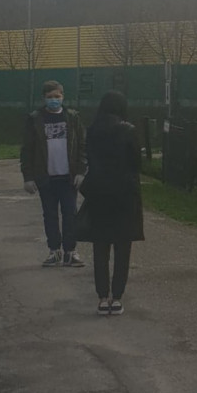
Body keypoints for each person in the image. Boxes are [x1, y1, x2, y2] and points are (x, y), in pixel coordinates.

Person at [78, 91, 143, 315]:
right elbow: (137, 162)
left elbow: (90, 157)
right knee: (122, 247)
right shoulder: (129, 130)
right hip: (124, 193)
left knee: (101, 246)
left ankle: (102, 296)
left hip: (99, 192)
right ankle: (117, 297)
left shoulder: (93, 130)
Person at [20, 80, 85, 267]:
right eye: (50, 97)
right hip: (45, 177)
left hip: (68, 177)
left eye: (57, 96)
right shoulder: (35, 119)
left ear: (63, 96)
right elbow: (27, 150)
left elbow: (82, 146)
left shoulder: (72, 118)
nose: (54, 100)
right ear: (44, 98)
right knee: (49, 215)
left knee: (70, 214)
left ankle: (70, 251)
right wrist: (28, 177)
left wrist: (81, 171)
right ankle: (54, 250)